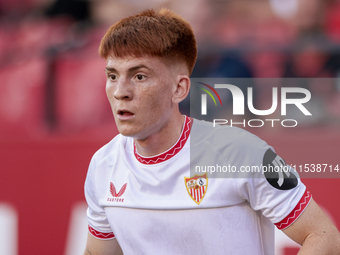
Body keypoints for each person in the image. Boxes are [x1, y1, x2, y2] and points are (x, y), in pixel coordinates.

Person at [83, 8, 340, 255]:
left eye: (139, 76)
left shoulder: (243, 153)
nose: (120, 92)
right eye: (113, 76)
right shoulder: (103, 164)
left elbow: (324, 237)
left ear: (179, 89)